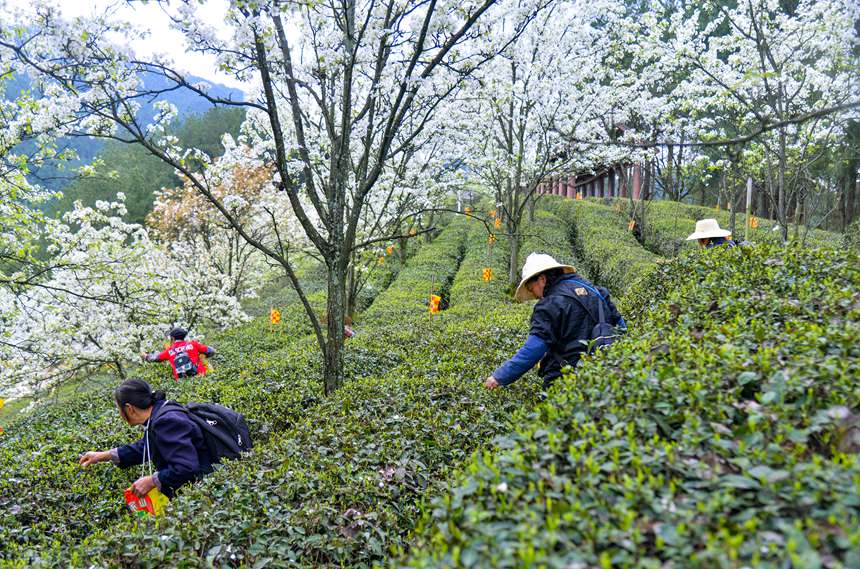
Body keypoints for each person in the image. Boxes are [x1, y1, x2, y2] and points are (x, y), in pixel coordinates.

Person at [485, 253, 625, 390]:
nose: (533, 294)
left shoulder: (549, 305)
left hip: (568, 382)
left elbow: (534, 349)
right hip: (606, 375)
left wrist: (499, 377)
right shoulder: (597, 291)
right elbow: (622, 327)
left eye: (530, 288)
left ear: (542, 280)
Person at [79, 379, 213, 499]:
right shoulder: (161, 411)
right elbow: (146, 447)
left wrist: (152, 481)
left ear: (129, 408)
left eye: (119, 409)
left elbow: (186, 468)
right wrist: (103, 455)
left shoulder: (165, 422)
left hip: (206, 489)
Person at [141, 327, 214, 379]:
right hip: (200, 376)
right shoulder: (193, 344)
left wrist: (145, 355)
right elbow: (210, 351)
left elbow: (155, 358)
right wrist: (202, 356)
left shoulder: (169, 351)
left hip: (182, 382)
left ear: (172, 338)